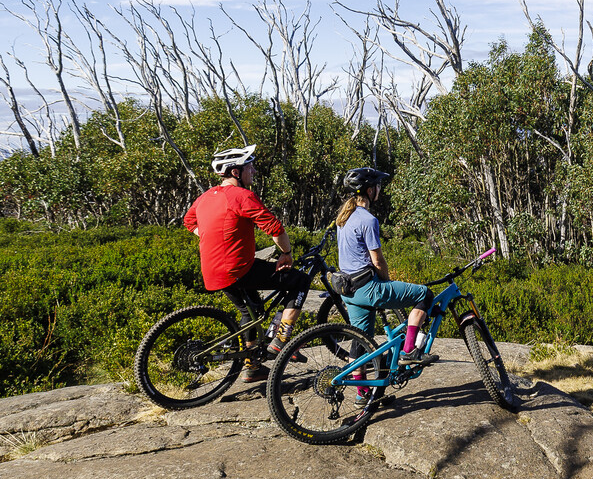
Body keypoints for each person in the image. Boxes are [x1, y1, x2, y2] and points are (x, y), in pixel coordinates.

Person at [182, 145, 310, 382]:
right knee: (300, 280)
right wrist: (287, 254)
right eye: (249, 166)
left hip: (212, 271)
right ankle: (281, 341)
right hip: (239, 268)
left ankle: (252, 367)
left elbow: (189, 222)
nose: (253, 170)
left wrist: (213, 236)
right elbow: (275, 229)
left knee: (251, 311)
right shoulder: (242, 196)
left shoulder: (205, 197)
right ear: (236, 172)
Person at [333, 167, 433, 365]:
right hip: (368, 288)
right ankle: (409, 350)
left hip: (348, 288)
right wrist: (387, 282)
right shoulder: (368, 220)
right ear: (370, 191)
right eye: (377, 185)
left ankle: (363, 394)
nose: (379, 189)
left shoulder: (342, 219)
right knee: (425, 295)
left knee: (360, 342)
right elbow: (377, 261)